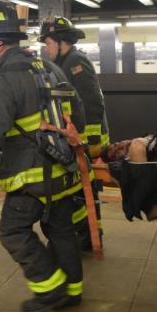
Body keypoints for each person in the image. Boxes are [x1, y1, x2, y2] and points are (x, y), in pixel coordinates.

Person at [0, 1, 87, 312]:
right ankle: (73, 291)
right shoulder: (50, 68)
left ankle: (50, 288)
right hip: (64, 171)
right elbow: (77, 114)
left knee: (13, 230)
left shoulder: (1, 80)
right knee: (62, 231)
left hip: (32, 178)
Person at [38, 16, 107, 249]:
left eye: (47, 44)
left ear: (60, 42)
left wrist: (92, 141)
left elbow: (92, 103)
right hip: (77, 137)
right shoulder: (64, 63)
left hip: (87, 138)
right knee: (80, 188)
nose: (46, 50)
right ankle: (86, 235)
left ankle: (90, 236)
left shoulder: (75, 62)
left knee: (86, 189)